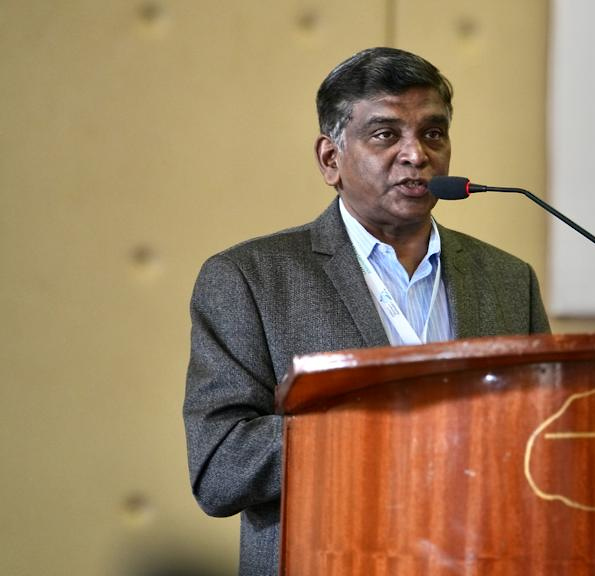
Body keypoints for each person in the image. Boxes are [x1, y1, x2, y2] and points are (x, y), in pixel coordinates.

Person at [183, 47, 550, 575]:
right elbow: (220, 468)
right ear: (330, 159)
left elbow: (542, 442)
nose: (416, 154)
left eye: (433, 133)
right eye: (385, 134)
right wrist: (385, 432)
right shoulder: (250, 279)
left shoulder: (508, 280)